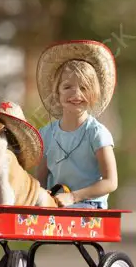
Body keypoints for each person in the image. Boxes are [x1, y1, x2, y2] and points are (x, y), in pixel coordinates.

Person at [33, 40, 118, 209]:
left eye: (84, 88)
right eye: (67, 87)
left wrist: (73, 197)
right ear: (57, 93)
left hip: (89, 207)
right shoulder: (46, 134)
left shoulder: (96, 133)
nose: (76, 94)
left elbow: (111, 181)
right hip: (56, 206)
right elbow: (41, 182)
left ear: (94, 94)